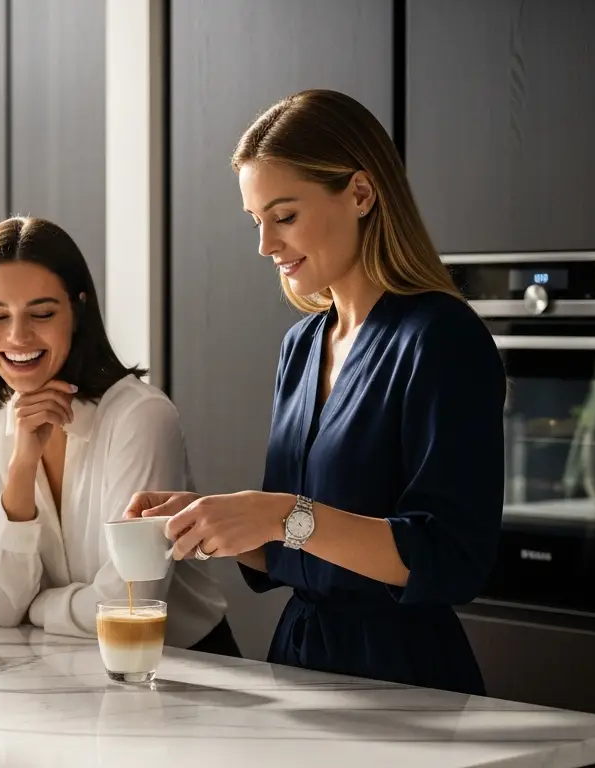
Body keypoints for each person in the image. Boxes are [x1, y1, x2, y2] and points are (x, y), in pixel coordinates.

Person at [128, 89, 506, 695]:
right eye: (256, 221)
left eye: (284, 216)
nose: (265, 245)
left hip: (405, 679)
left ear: (361, 194)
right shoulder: (302, 345)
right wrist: (210, 522)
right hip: (299, 666)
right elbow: (293, 542)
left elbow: (450, 557)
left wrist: (277, 514)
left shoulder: (441, 338)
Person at [0, 216, 234, 655]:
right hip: (69, 667)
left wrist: (38, 607)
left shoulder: (140, 417)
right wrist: (22, 466)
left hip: (185, 666)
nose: (17, 336)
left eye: (42, 313)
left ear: (77, 311)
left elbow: (130, 602)